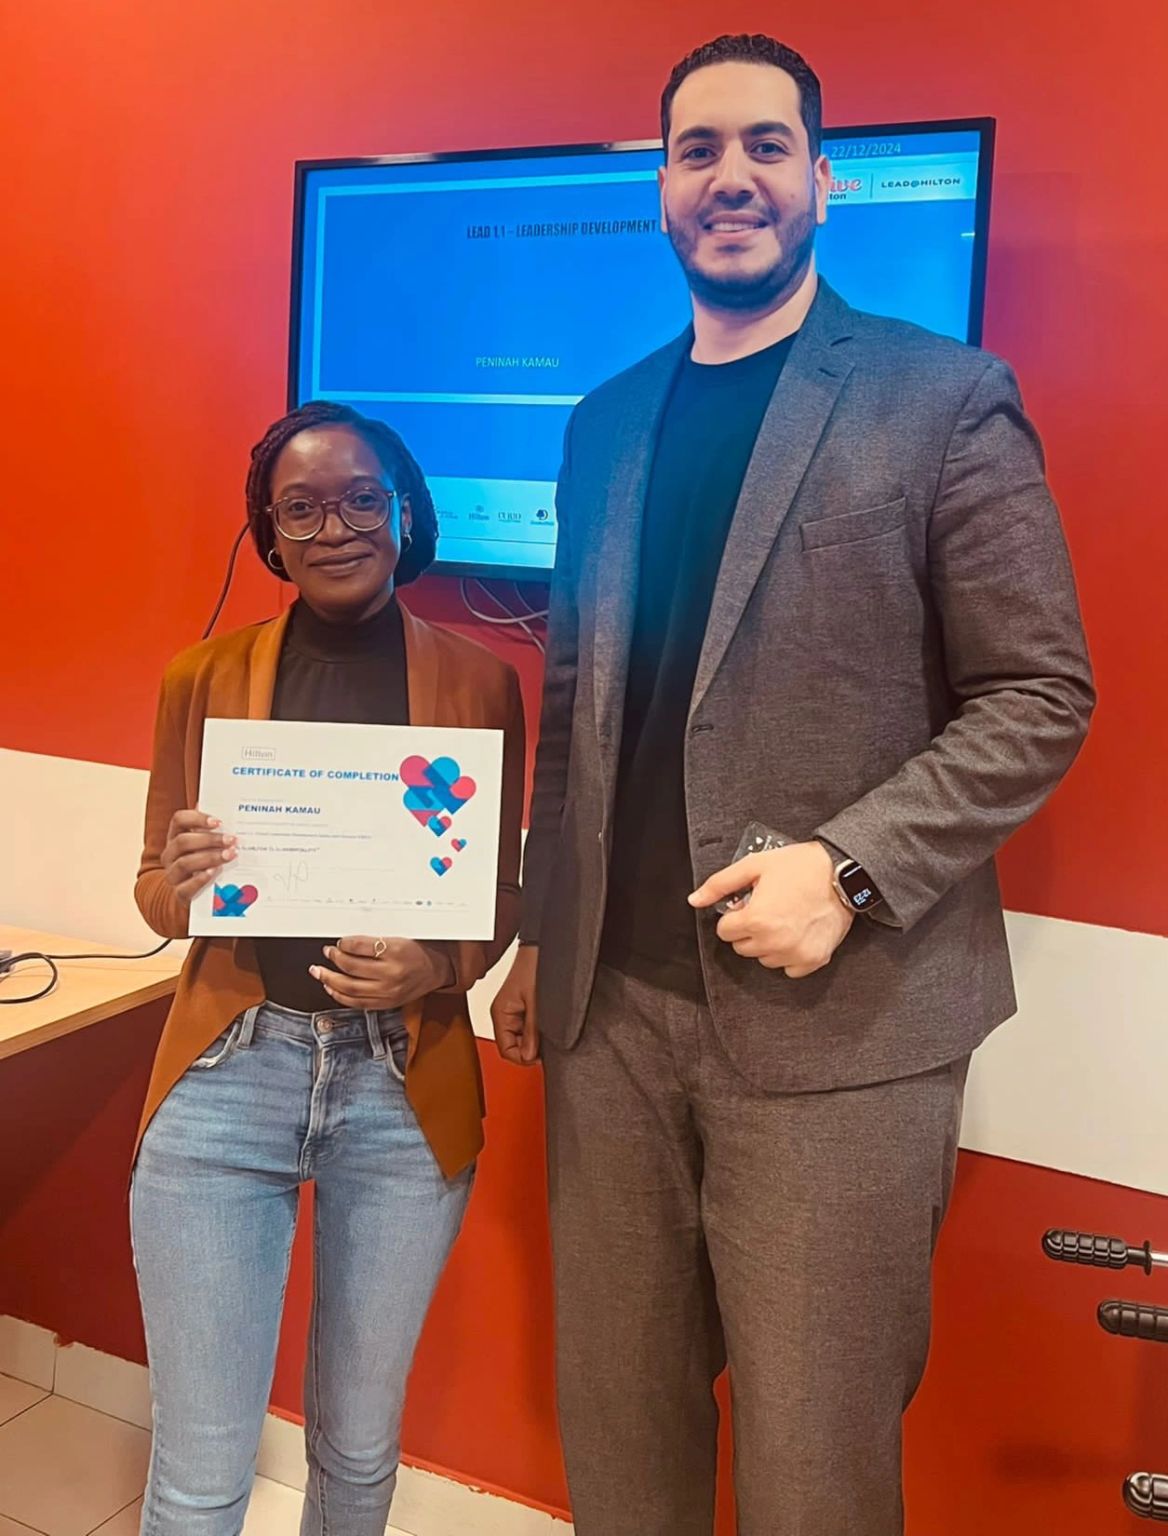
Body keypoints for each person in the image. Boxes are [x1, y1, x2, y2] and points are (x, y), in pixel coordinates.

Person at [491, 32, 1094, 1536]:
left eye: (766, 145)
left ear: (824, 182)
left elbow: (1040, 695)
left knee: (813, 1471)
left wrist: (850, 866)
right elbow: (578, 704)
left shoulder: (941, 398)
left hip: (842, 1035)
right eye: (696, 149)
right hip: (609, 1021)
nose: (730, 176)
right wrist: (541, 930)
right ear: (661, 188)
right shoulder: (604, 422)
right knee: (620, 1436)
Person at [132, 400, 525, 1536]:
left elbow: (496, 895)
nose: (334, 528)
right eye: (299, 509)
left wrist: (434, 965)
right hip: (228, 1074)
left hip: (401, 1090)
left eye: (361, 500)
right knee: (201, 1473)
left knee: (355, 1451)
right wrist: (184, 879)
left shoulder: (480, 682)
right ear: (268, 531)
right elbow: (154, 893)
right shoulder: (203, 675)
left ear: (405, 513)